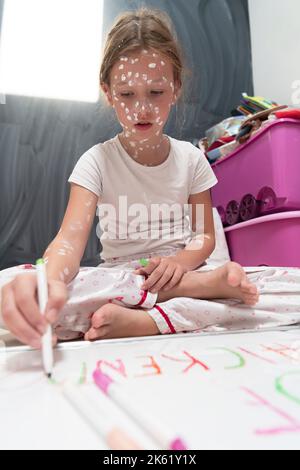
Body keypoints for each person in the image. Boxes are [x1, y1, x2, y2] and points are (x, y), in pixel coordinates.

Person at [0, 8, 259, 348]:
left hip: (187, 269)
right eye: (126, 94)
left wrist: (177, 264)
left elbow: (202, 237)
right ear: (107, 93)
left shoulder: (191, 159)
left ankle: (148, 317)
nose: (142, 109)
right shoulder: (96, 162)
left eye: (155, 93)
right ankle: (177, 304)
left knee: (273, 291)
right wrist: (50, 282)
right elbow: (68, 242)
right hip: (123, 276)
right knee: (13, 286)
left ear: (176, 88)